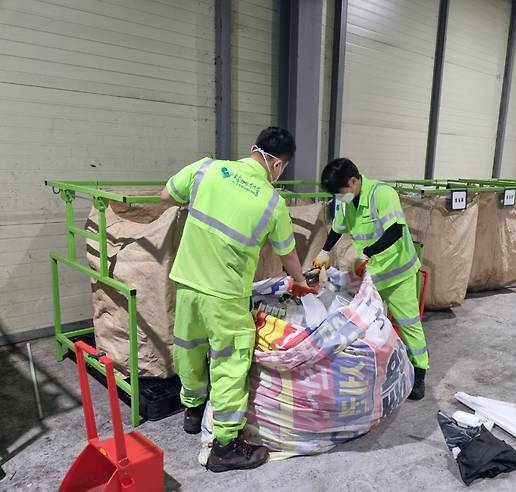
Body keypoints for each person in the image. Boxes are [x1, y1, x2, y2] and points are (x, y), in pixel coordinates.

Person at [161, 127, 315, 472]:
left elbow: (164, 195)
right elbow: (287, 254)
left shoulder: (206, 169)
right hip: (226, 294)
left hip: (187, 282)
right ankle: (225, 447)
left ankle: (193, 410)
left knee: (189, 347)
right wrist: (301, 282)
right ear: (278, 165)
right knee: (230, 363)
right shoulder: (272, 202)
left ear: (252, 150)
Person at [312, 158, 428, 400]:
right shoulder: (347, 201)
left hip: (397, 273)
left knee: (409, 323)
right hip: (370, 275)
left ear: (353, 181)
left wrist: (368, 252)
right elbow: (338, 228)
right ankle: (377, 368)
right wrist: (324, 250)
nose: (338, 198)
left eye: (339, 192)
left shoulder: (381, 194)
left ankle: (419, 374)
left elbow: (395, 230)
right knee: (366, 324)